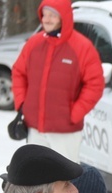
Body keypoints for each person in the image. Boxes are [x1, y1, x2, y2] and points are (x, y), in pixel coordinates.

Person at [11, 0, 104, 162]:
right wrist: (22, 104)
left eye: (52, 15)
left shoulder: (82, 47)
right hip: (35, 130)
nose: (46, 20)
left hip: (65, 133)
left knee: (64, 181)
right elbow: (18, 73)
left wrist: (73, 114)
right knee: (37, 180)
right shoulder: (34, 43)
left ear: (64, 17)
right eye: (45, 15)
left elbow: (95, 84)